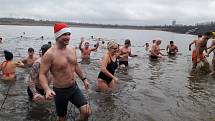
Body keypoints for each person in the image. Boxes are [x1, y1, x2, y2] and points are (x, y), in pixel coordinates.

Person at [39, 23, 91, 121]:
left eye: (69, 34)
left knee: (86, 112)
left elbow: (75, 65)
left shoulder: (71, 49)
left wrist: (84, 79)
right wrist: (47, 89)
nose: (68, 37)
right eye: (65, 34)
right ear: (57, 36)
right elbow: (42, 74)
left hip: (74, 87)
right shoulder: (49, 54)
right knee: (62, 118)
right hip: (60, 91)